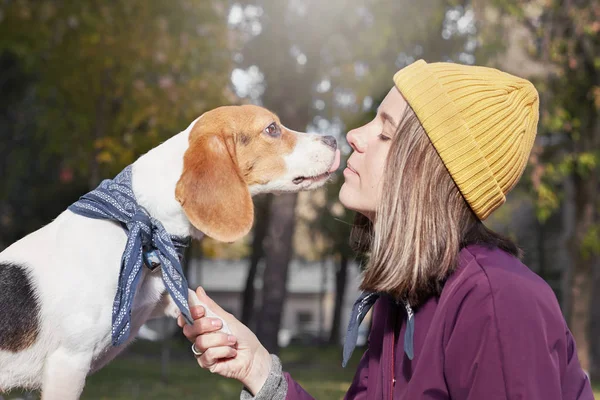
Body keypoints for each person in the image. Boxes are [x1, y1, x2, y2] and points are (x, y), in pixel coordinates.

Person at [177, 59, 594, 399]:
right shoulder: (402, 299)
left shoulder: (497, 301)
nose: (355, 136)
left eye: (386, 131)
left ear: (428, 171)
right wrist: (256, 366)